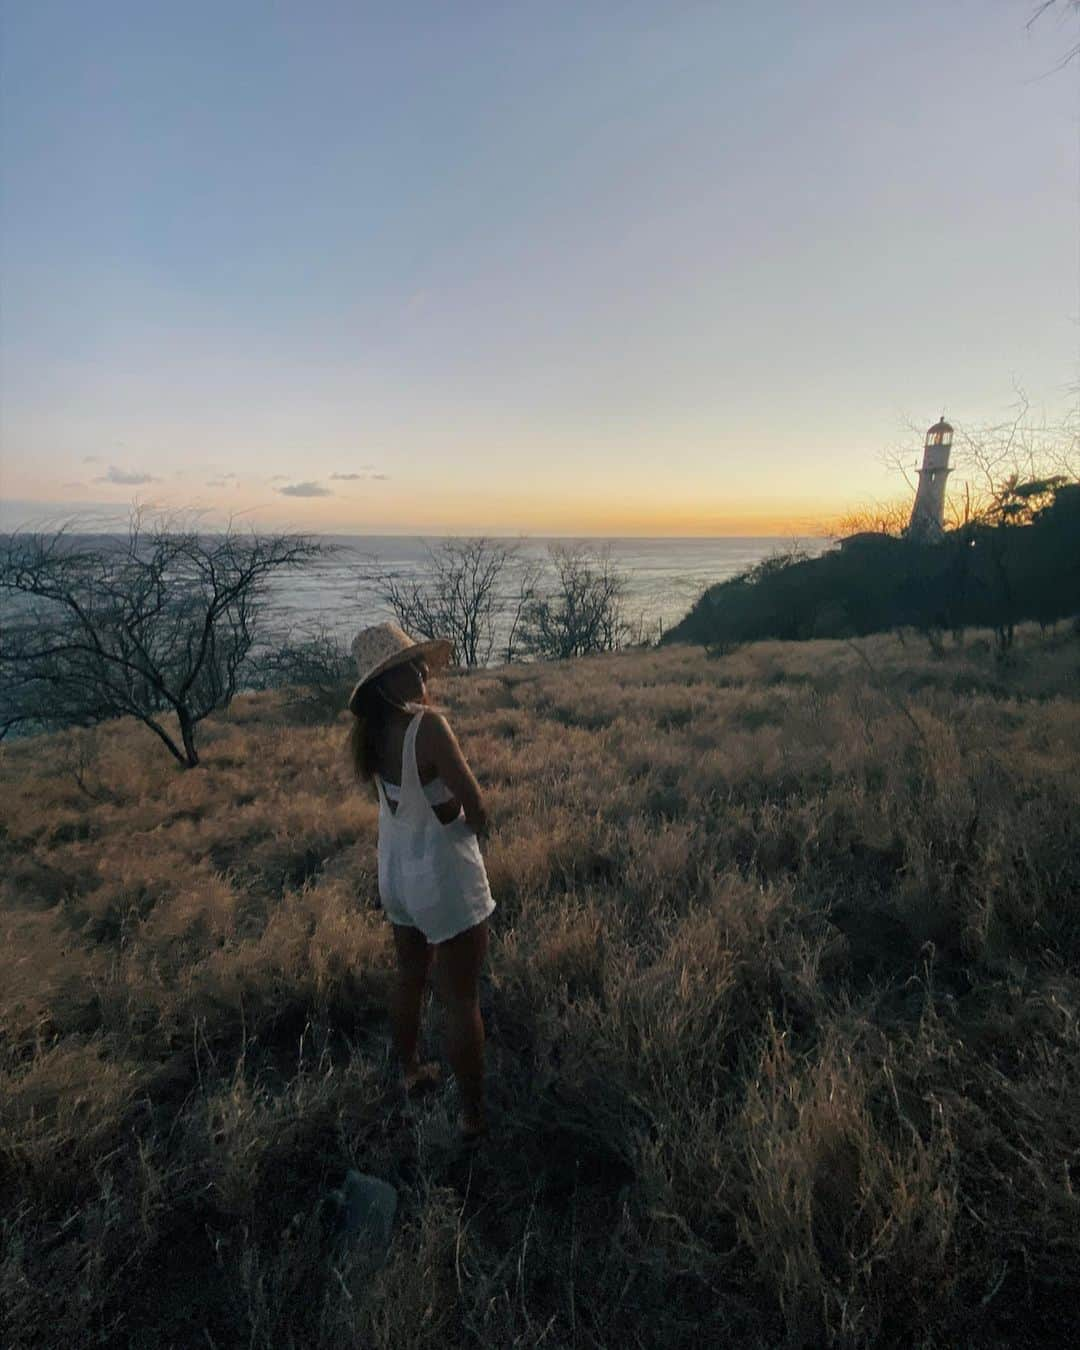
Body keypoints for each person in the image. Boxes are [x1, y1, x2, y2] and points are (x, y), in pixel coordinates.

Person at [346, 622, 495, 1143]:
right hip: (442, 876)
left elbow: (411, 798)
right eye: (408, 666)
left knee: (410, 976)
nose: (422, 670)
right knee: (461, 997)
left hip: (398, 875)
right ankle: (474, 1116)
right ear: (384, 684)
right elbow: (474, 806)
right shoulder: (428, 727)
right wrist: (473, 829)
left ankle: (409, 1069)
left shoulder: (371, 738)